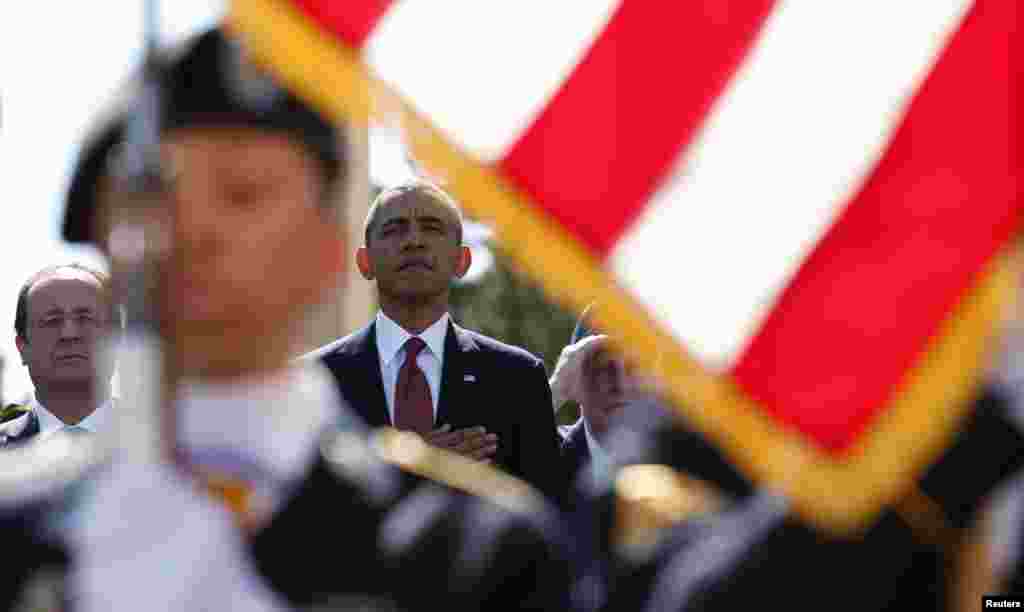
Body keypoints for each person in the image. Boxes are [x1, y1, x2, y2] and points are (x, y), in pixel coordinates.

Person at [1, 26, 571, 612]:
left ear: (331, 250)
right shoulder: (18, 531)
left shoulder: (472, 554)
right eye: (153, 196)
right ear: (104, 243)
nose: (196, 232)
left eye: (243, 194)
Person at [306, 181, 568, 504]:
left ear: (462, 261)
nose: (414, 241)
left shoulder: (516, 378)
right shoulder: (315, 380)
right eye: (394, 229)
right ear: (365, 263)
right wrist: (417, 465)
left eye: (431, 228)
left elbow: (545, 517)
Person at [0, 264, 117, 447]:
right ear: (22, 347)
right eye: (52, 321)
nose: (69, 334)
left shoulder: (163, 450)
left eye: (85, 319)